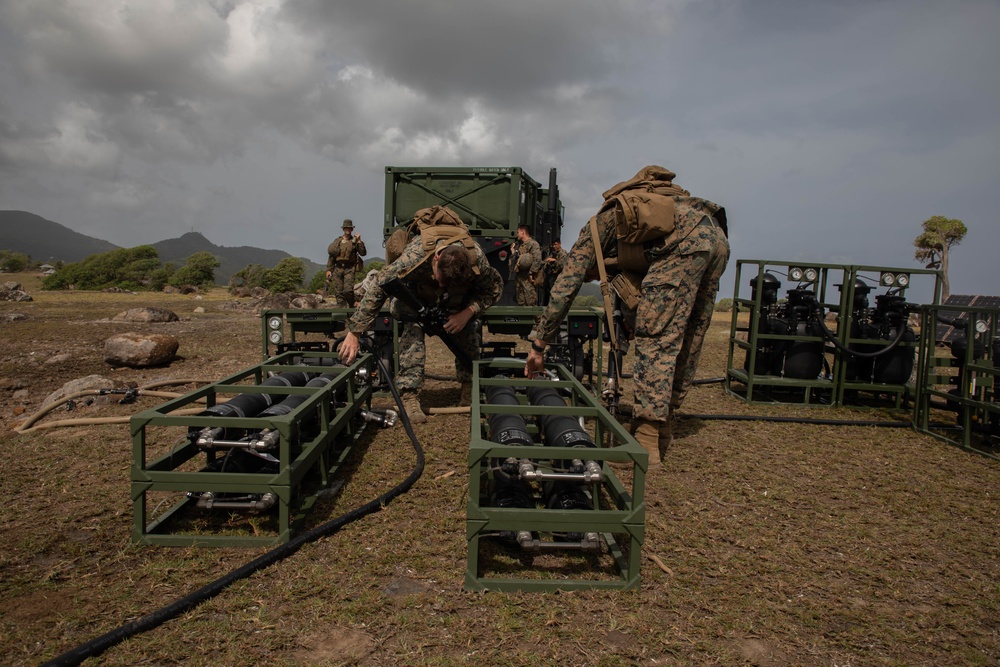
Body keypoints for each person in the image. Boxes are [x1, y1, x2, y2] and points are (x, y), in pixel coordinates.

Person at [524, 165, 730, 469]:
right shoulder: (667, 207)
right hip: (717, 239)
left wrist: (538, 345)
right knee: (687, 337)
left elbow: (565, 287)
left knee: (656, 340)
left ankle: (646, 442)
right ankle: (664, 427)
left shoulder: (599, 226)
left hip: (684, 248)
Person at [338, 206, 504, 423]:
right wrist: (355, 332)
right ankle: (409, 396)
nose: (442, 285)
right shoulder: (415, 257)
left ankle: (469, 389)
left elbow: (493, 289)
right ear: (435, 259)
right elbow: (380, 285)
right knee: (413, 331)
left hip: (457, 303)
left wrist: (467, 312)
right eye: (441, 280)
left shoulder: (477, 259)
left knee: (468, 329)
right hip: (414, 301)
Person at [326, 219, 367, 307]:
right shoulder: (338, 241)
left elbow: (363, 253)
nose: (347, 230)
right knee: (339, 293)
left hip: (349, 268)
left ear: (352, 229)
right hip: (338, 268)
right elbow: (332, 256)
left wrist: (359, 241)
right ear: (343, 229)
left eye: (349, 228)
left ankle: (351, 305)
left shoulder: (355, 241)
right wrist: (329, 270)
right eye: (346, 228)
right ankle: (342, 313)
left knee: (348, 290)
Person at [508, 224, 542, 306]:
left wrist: (531, 273)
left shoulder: (533, 244)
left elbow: (537, 259)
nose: (517, 235)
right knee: (521, 302)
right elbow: (516, 260)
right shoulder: (519, 245)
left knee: (531, 301)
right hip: (520, 277)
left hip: (528, 278)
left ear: (523, 232)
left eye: (518, 232)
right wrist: (513, 251)